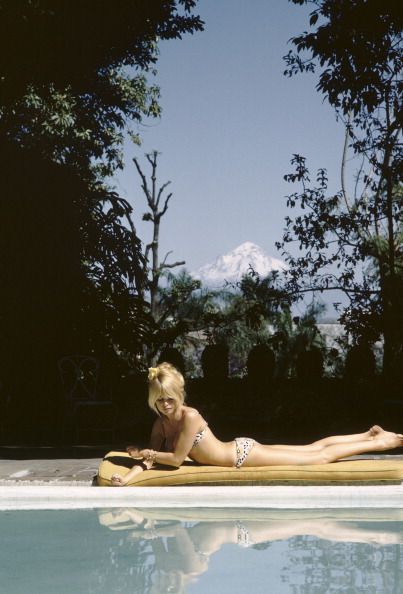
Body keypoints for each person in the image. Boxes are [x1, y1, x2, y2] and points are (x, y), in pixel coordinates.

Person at [111, 362, 403, 486]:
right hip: (240, 449)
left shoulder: (191, 417)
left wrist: (148, 453)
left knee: (318, 458)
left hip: (242, 456)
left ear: (179, 395)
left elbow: (174, 459)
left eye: (170, 398)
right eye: (160, 400)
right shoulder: (160, 425)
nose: (165, 404)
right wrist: (128, 478)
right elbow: (150, 460)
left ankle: (381, 442)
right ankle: (367, 434)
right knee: (311, 448)